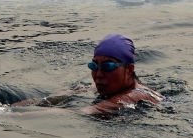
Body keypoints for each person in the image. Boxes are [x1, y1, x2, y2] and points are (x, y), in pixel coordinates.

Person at [13, 34, 162, 117]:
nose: (98, 74)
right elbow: (50, 99)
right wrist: (5, 108)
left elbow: (82, 112)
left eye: (107, 67)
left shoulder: (135, 95)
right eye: (94, 66)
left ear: (129, 69)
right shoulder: (100, 88)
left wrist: (13, 117)